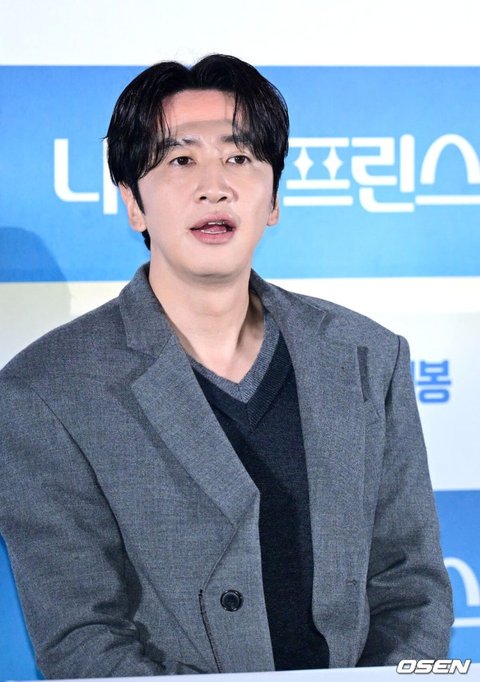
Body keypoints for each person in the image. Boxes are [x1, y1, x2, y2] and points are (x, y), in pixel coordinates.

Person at [0, 54, 453, 678]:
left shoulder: (367, 356)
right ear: (133, 202)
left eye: (239, 158)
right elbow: (82, 638)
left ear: (274, 199)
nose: (214, 186)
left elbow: (412, 585)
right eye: (180, 161)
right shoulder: (46, 392)